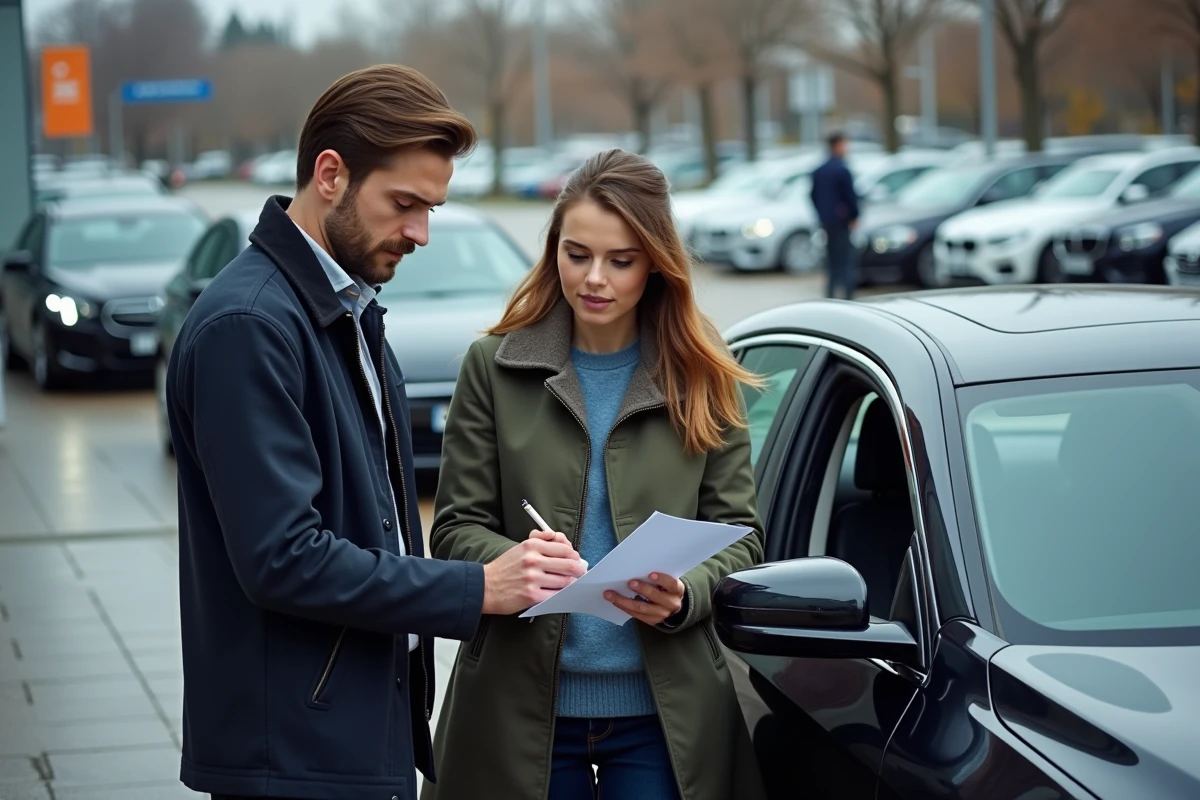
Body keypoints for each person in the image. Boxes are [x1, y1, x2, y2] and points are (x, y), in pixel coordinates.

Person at [166, 64, 587, 800]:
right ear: (330, 173)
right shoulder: (251, 326)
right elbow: (282, 559)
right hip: (294, 755)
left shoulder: (346, 308)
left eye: (432, 207)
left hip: (349, 730)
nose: (420, 232)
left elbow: (376, 524)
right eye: (404, 204)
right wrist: (478, 587)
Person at [421, 149, 768, 800]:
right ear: (554, 248)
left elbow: (740, 533)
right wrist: (517, 562)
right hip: (522, 711)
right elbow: (457, 528)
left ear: (657, 264)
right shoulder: (493, 367)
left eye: (622, 260)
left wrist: (685, 592)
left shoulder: (703, 371)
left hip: (662, 716)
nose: (595, 279)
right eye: (577, 254)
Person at [810, 131, 861, 299]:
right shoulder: (841, 169)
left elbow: (813, 196)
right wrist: (853, 216)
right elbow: (850, 196)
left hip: (826, 222)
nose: (847, 148)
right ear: (837, 145)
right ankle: (848, 297)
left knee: (831, 261)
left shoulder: (819, 170)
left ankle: (830, 295)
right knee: (846, 261)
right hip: (842, 222)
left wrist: (822, 214)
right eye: (844, 144)